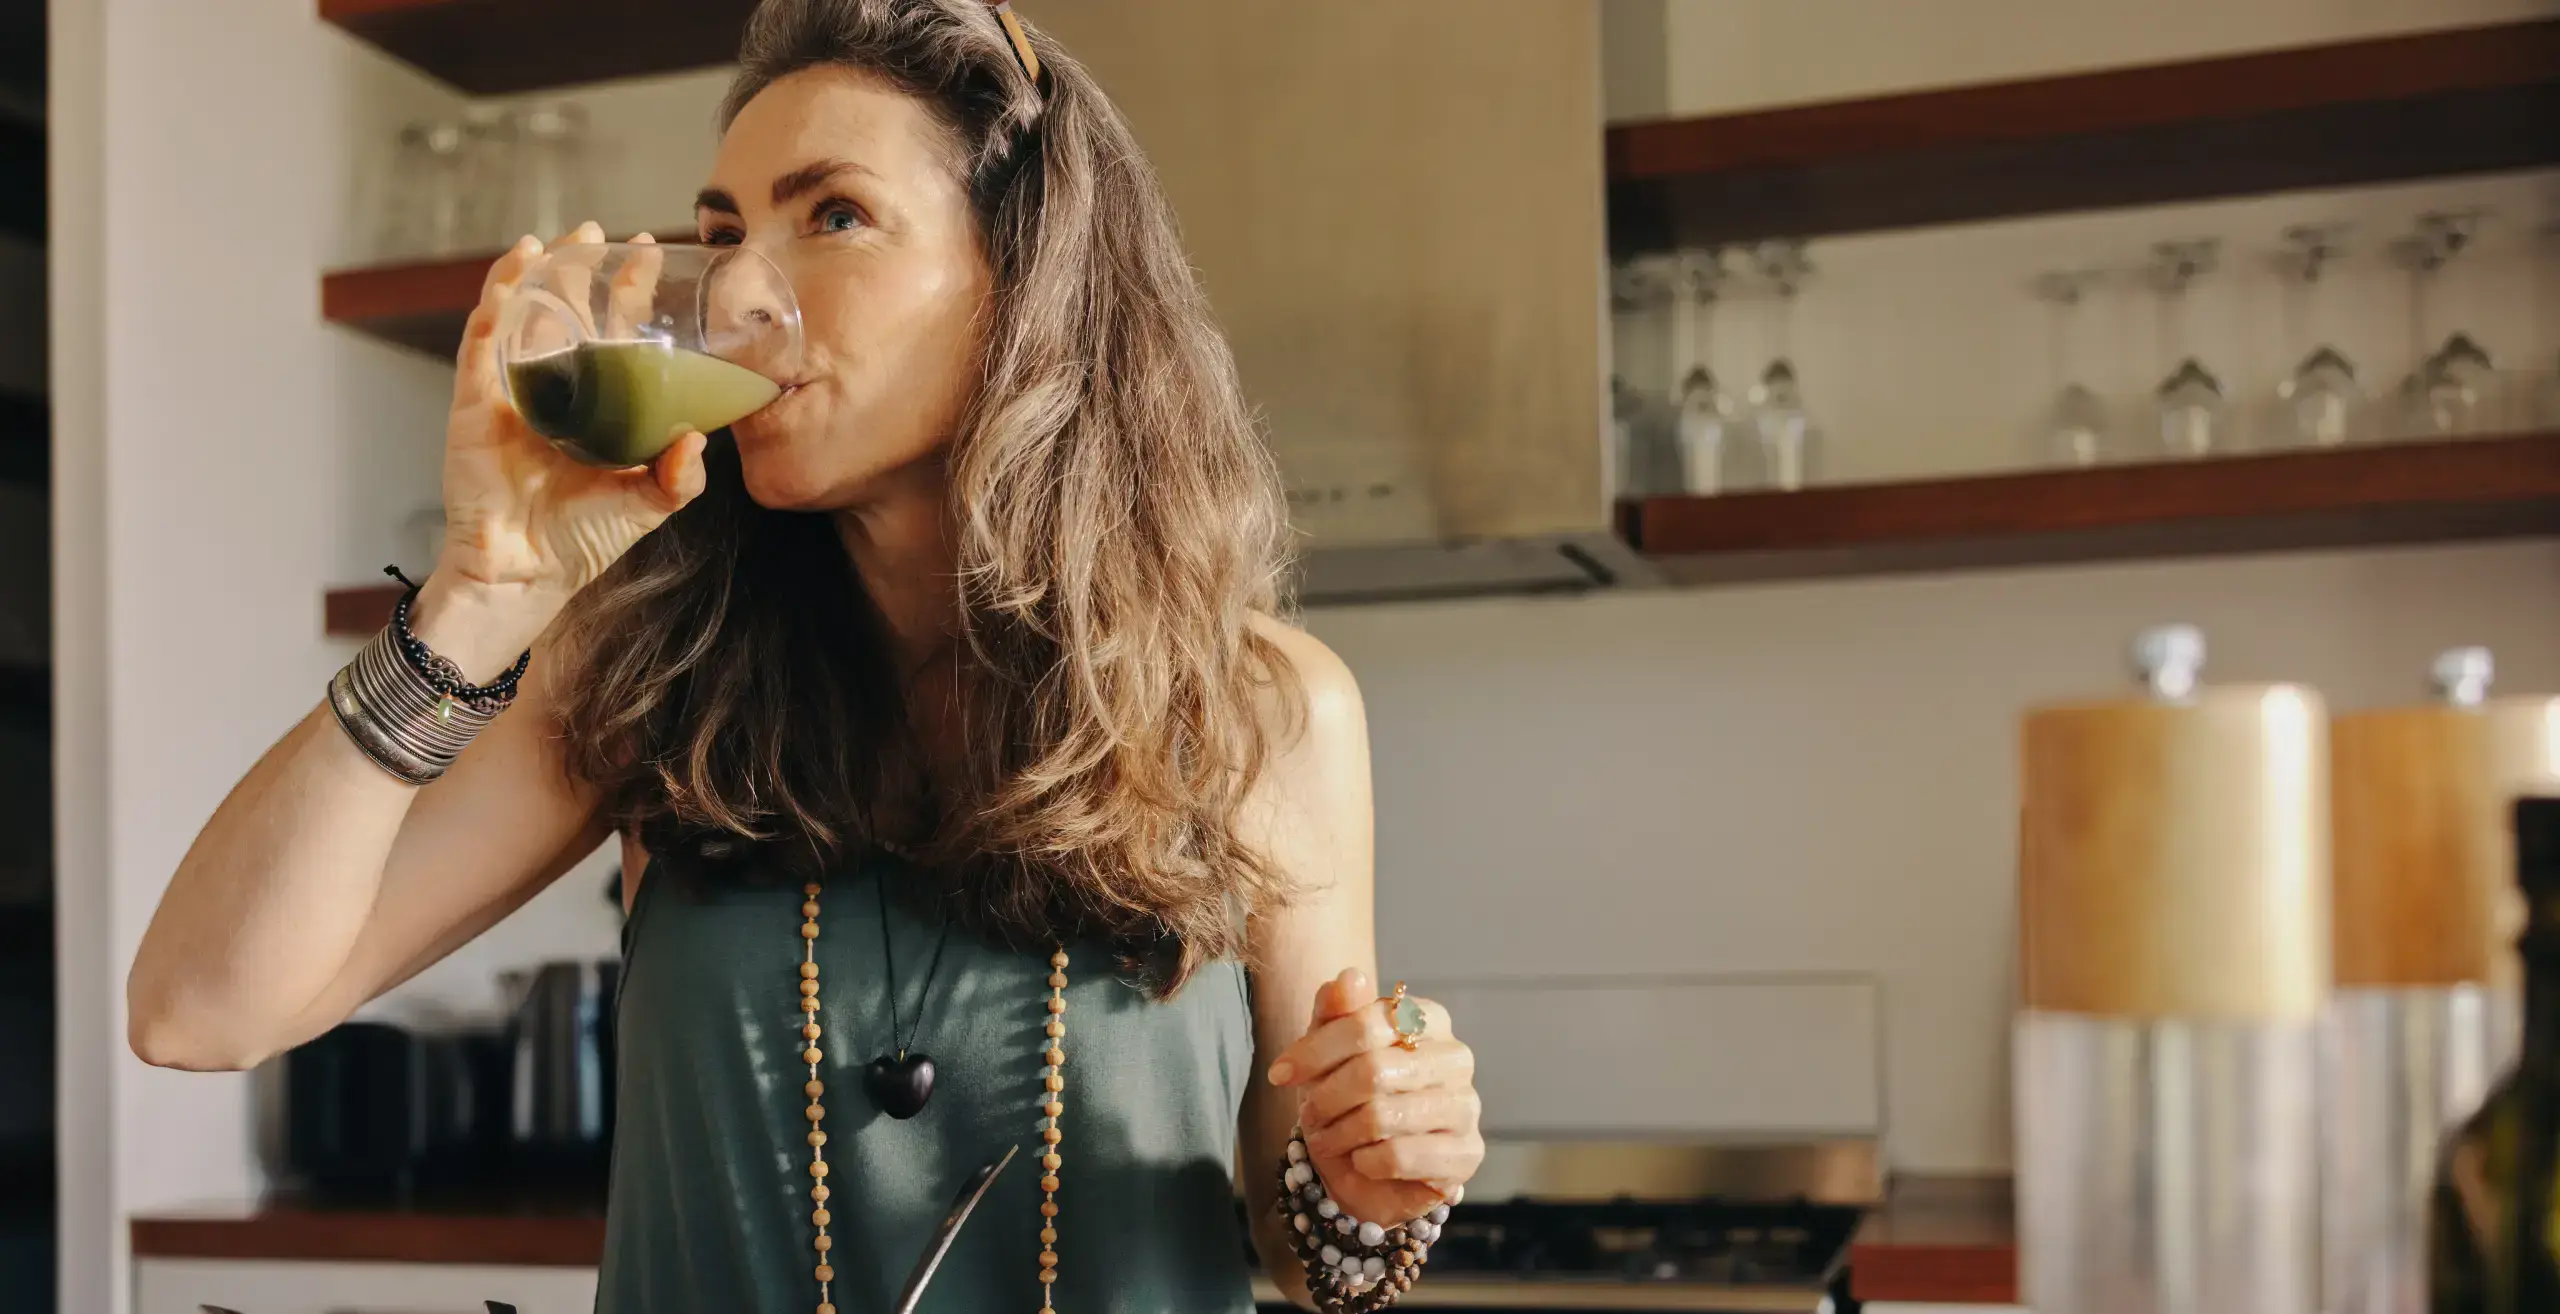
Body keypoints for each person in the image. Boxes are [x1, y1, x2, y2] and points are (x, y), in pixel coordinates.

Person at [123, 1, 1485, 1311]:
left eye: (833, 215)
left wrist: (1375, 1177)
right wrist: (476, 599)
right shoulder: (649, 672)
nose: (740, 293)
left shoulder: (1262, 711)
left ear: (1025, 275)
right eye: (724, 235)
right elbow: (196, 1011)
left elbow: (1314, 1255)